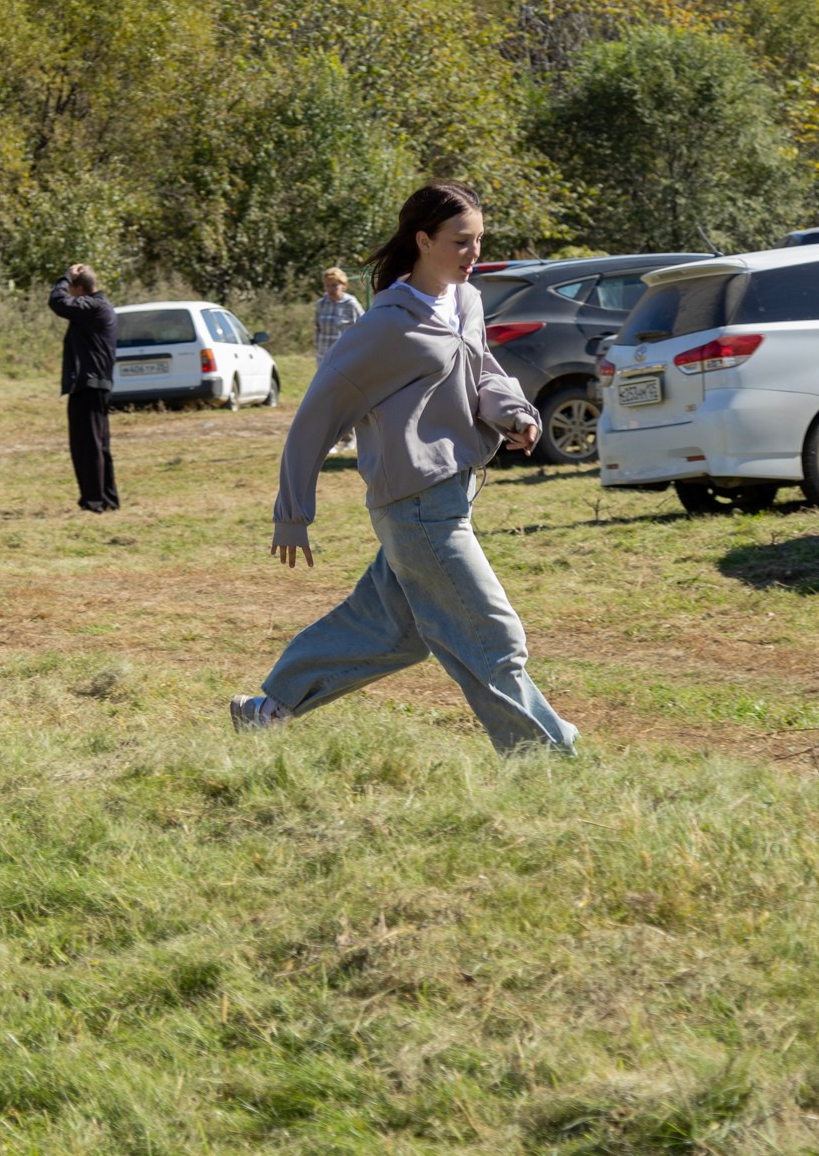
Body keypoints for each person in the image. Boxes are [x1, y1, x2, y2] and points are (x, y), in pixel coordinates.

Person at [229, 182, 579, 756]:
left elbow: (481, 368)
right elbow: (318, 412)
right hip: (416, 505)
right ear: (423, 240)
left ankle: (267, 712)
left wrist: (514, 412)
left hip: (452, 491)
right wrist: (292, 513)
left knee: (394, 629)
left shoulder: (467, 301)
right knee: (490, 632)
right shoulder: (385, 327)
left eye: (479, 240)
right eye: (460, 241)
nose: (473, 253)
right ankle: (547, 757)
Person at [50, 265, 120, 512]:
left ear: (80, 290)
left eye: (72, 289)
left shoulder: (92, 307)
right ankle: (108, 498)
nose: (69, 293)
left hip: (89, 385)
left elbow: (58, 302)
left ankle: (94, 501)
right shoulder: (102, 307)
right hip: (97, 383)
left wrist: (66, 275)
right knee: (99, 445)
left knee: (86, 446)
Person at [314, 265, 363, 452]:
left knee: (346, 401)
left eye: (334, 285)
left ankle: (352, 438)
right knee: (328, 401)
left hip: (347, 360)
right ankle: (332, 440)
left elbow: (365, 328)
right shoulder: (320, 304)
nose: (331, 289)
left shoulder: (351, 304)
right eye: (327, 285)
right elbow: (317, 329)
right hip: (325, 359)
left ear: (343, 285)